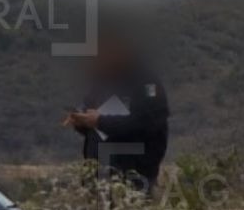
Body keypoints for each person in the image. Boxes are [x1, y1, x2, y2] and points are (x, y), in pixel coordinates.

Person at [63, 26, 169, 194]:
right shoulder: (103, 81)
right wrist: (81, 120)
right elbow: (91, 113)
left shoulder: (146, 82)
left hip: (133, 174)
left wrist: (101, 121)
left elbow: (147, 122)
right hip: (99, 174)